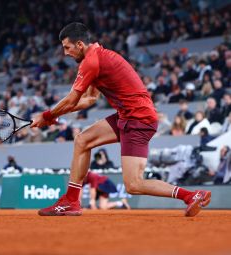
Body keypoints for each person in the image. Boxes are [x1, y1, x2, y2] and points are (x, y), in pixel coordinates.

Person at [31, 22, 211, 217]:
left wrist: (48, 115)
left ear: (80, 44)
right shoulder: (97, 56)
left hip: (138, 119)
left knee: (134, 184)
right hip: (128, 115)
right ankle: (71, 201)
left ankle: (191, 195)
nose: (65, 53)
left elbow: (73, 99)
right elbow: (89, 99)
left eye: (67, 47)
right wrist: (54, 116)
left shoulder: (91, 62)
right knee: (82, 140)